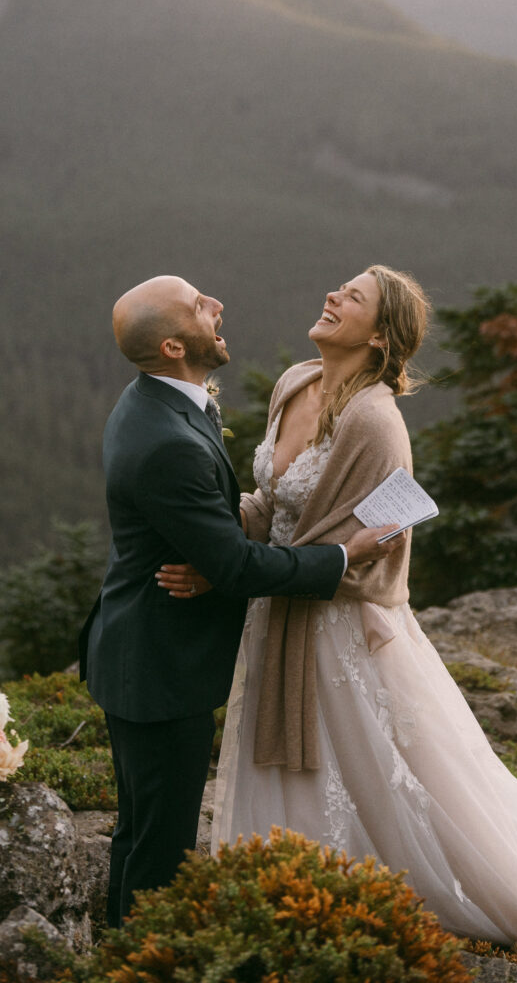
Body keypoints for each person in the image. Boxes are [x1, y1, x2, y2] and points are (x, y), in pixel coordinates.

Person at [160, 265, 517, 945]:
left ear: (380, 338)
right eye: (336, 287)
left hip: (340, 632)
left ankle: (347, 891)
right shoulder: (294, 382)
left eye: (351, 297)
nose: (331, 295)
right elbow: (275, 505)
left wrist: (240, 575)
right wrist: (212, 547)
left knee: (380, 773)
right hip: (278, 610)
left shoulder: (374, 422)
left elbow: (376, 559)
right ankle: (285, 883)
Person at [78, 274, 404, 928]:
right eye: (200, 306)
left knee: (140, 829)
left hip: (137, 654)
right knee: (161, 845)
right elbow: (234, 563)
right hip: (161, 666)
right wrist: (342, 556)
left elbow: (218, 536)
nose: (218, 304)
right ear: (173, 346)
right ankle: (143, 959)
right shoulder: (170, 436)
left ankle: (118, 949)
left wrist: (214, 555)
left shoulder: (158, 401)